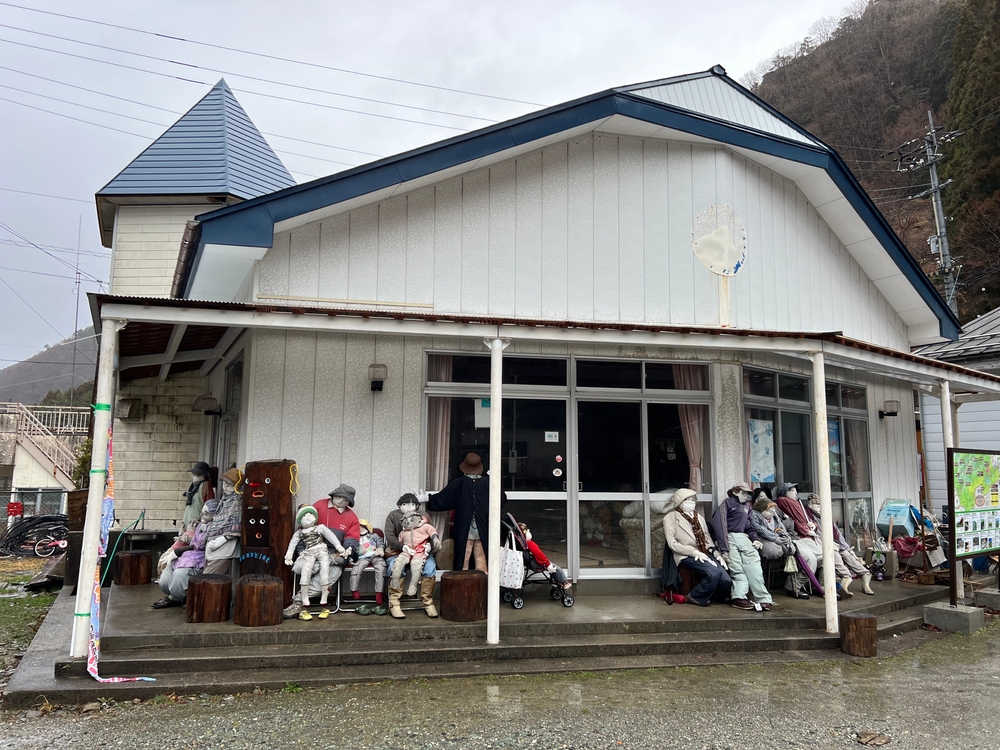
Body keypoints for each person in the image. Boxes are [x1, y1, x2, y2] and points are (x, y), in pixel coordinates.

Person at [427, 453, 498, 573]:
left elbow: (442, 500)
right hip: (483, 525)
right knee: (482, 562)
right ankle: (482, 589)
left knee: (463, 561)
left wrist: (428, 498)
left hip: (464, 527)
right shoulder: (489, 483)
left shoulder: (458, 483)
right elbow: (501, 499)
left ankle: (462, 587)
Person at [662, 488, 732, 607]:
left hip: (704, 552)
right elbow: (672, 544)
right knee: (713, 573)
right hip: (686, 554)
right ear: (680, 502)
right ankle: (695, 596)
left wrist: (716, 554)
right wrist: (693, 552)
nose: (691, 502)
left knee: (726, 579)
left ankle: (715, 596)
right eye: (687, 500)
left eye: (693, 499)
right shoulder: (670, 517)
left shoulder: (698, 517)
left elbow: (706, 537)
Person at [711, 482, 772, 611]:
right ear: (735, 492)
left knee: (755, 566)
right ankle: (739, 596)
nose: (745, 496)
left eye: (747, 494)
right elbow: (720, 525)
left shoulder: (747, 507)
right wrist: (724, 548)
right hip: (729, 537)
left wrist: (755, 538)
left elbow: (750, 526)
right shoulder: (726, 503)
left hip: (743, 537)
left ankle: (763, 598)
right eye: (743, 493)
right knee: (737, 568)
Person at [804, 493, 874, 595]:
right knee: (836, 556)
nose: (820, 508)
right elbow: (816, 535)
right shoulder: (809, 517)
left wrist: (847, 548)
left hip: (836, 543)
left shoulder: (825, 516)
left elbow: (838, 535)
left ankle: (865, 580)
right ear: (810, 505)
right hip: (822, 544)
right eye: (817, 505)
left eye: (821, 505)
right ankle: (845, 582)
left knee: (848, 555)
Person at [284, 505, 346, 617]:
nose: (308, 516)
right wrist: (289, 555)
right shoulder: (300, 532)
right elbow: (294, 544)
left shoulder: (321, 527)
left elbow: (336, 538)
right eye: (304, 514)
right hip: (308, 554)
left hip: (327, 554)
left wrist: (340, 548)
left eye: (310, 514)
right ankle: (302, 601)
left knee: (326, 571)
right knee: (304, 570)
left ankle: (308, 601)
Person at [385, 493, 440, 618]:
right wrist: (402, 546)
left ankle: (428, 601)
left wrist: (430, 546)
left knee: (430, 567)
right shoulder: (393, 516)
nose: (409, 507)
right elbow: (390, 537)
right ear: (399, 505)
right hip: (399, 551)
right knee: (394, 567)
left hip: (421, 551)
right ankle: (394, 602)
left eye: (412, 504)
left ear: (417, 506)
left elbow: (431, 533)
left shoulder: (423, 515)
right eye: (405, 504)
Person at [748, 492, 810, 599]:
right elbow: (759, 529)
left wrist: (785, 536)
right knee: (773, 551)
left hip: (778, 537)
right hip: (763, 539)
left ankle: (794, 586)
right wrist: (775, 538)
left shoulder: (774, 515)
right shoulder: (754, 515)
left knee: (792, 549)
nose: (772, 512)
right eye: (769, 510)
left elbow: (781, 527)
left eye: (773, 509)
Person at [153, 507, 211, 608]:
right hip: (187, 554)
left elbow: (201, 545)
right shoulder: (199, 527)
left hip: (199, 557)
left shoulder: (213, 528)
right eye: (201, 513)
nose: (201, 517)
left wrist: (180, 550)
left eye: (206, 514)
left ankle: (179, 596)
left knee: (179, 576)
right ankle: (176, 597)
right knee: (164, 580)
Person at [203, 468, 242, 575]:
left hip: (225, 544)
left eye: (228, 485)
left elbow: (237, 522)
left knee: (209, 579)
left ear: (237, 486)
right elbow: (217, 519)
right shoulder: (224, 499)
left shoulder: (238, 500)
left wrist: (224, 538)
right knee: (206, 578)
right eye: (224, 484)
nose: (224, 487)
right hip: (213, 542)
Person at [349, 519, 387, 614]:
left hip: (375, 555)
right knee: (356, 569)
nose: (359, 528)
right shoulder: (354, 538)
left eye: (361, 526)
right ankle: (354, 591)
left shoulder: (374, 535)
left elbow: (381, 543)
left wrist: (380, 548)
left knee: (381, 567)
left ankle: (379, 593)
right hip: (362, 558)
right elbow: (351, 547)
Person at [518, 522, 571, 589]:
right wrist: (547, 564)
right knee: (557, 569)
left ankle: (560, 582)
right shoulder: (529, 544)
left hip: (532, 563)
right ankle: (564, 582)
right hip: (540, 563)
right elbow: (539, 554)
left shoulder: (523, 545)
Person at [182, 461, 214, 528]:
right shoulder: (194, 486)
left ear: (202, 475)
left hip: (196, 524)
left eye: (195, 474)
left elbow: (210, 506)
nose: (192, 476)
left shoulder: (205, 485)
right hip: (188, 523)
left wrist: (203, 521)